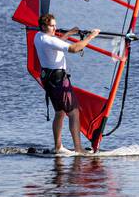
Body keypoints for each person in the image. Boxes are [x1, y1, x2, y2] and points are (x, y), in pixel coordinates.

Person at [34, 13, 101, 154]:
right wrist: (91, 37)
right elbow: (74, 49)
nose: (55, 28)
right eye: (52, 26)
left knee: (60, 113)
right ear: (43, 26)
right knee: (74, 113)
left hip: (48, 79)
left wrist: (70, 33)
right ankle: (79, 149)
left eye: (55, 25)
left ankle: (58, 147)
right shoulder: (49, 40)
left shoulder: (38, 37)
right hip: (59, 81)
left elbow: (56, 44)